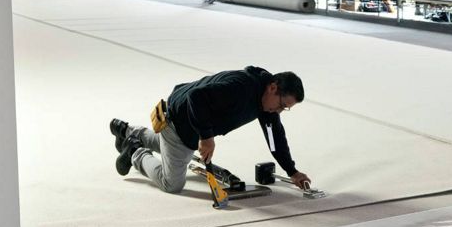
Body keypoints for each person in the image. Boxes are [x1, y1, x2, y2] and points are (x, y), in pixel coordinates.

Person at [110, 66, 311, 194]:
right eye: (282, 105)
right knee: (172, 184)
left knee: (176, 151)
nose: (279, 111)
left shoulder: (266, 102)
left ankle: (130, 131)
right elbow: (196, 97)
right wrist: (207, 137)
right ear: (273, 87)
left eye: (285, 109)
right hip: (181, 120)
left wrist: (292, 171)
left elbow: (275, 137)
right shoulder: (241, 88)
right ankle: (136, 151)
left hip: (185, 115)